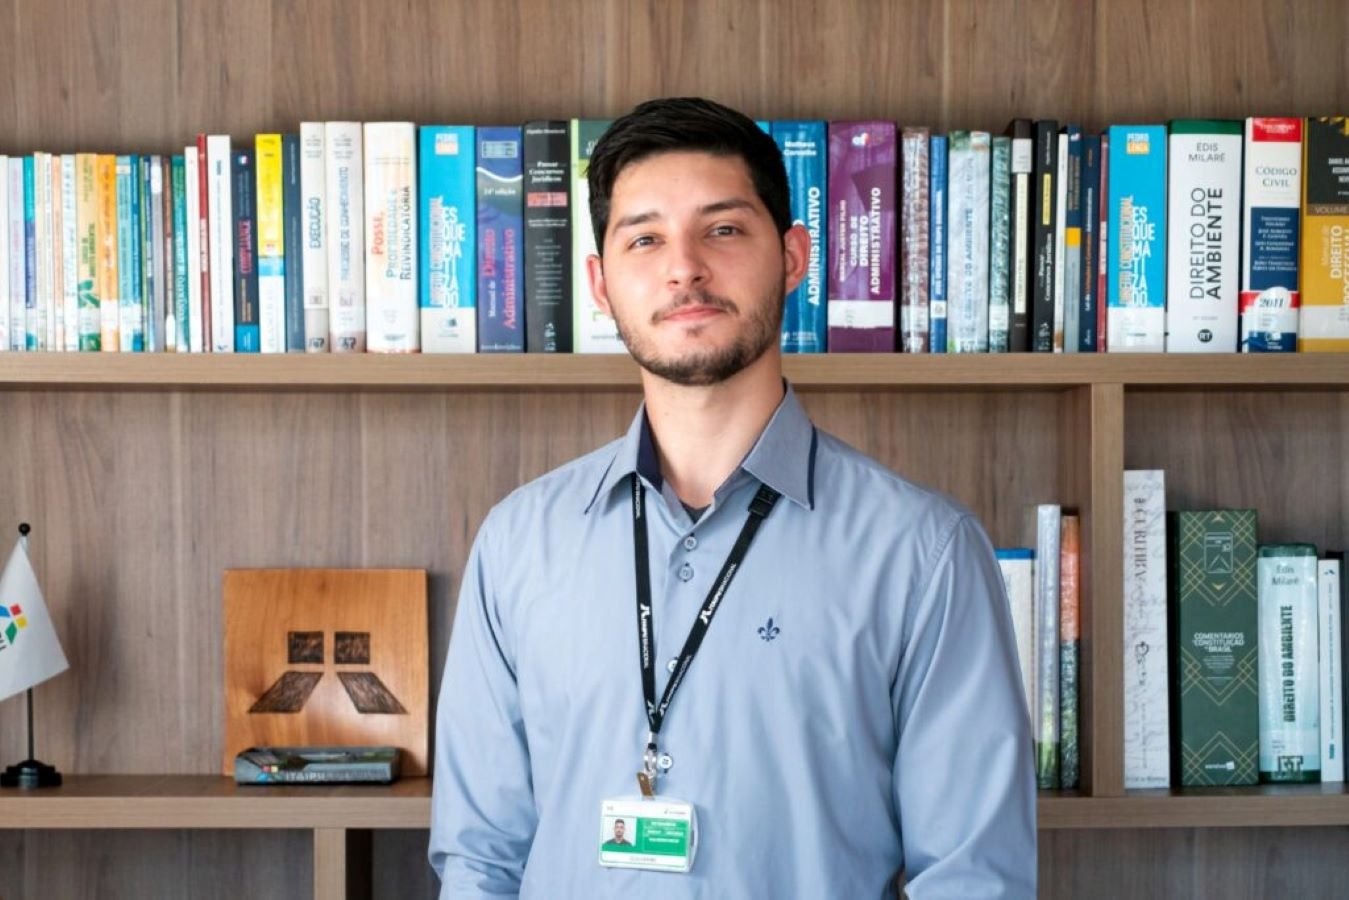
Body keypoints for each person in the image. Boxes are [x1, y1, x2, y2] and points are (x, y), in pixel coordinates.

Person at [429, 97, 1036, 898]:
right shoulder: (518, 543)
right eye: (644, 238)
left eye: (722, 229)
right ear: (599, 283)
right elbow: (480, 860)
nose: (684, 267)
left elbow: (971, 878)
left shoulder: (922, 552)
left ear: (792, 256)